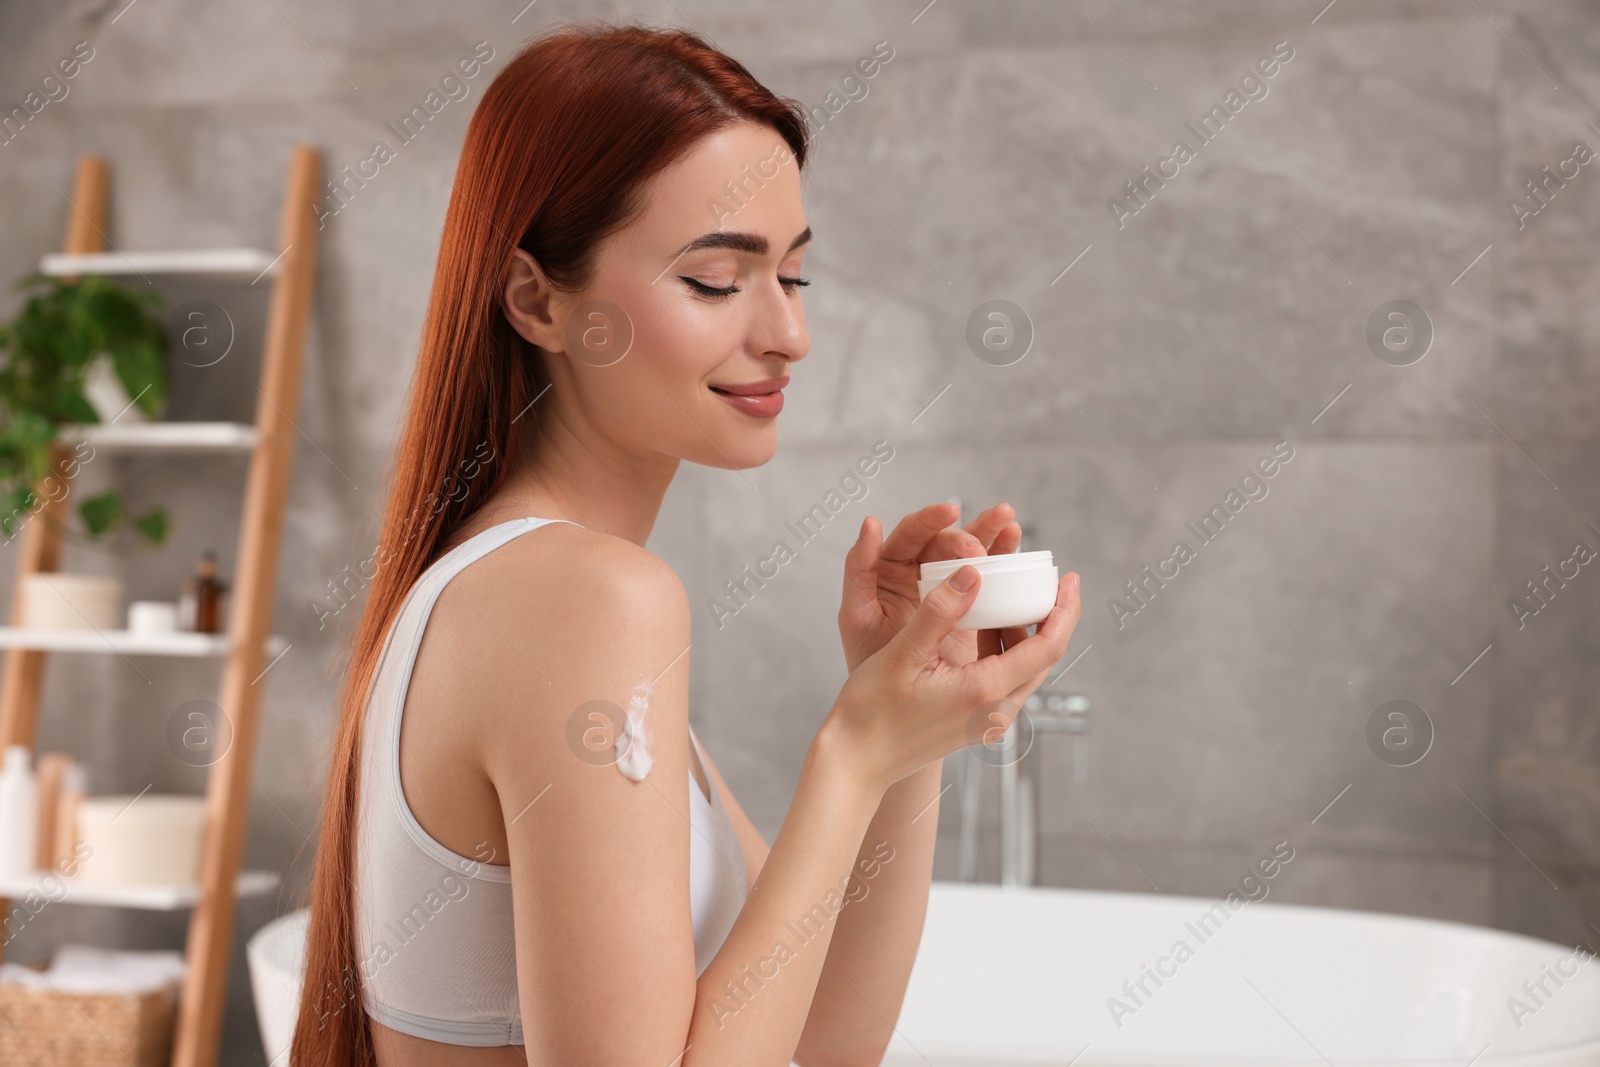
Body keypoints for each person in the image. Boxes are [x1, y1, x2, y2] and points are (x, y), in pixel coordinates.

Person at [292, 19, 1081, 1067]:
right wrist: (851, 751)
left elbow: (823, 1039)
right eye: (716, 279)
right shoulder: (586, 599)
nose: (786, 334)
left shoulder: (537, 587)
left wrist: (909, 719)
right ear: (537, 300)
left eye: (792, 278)